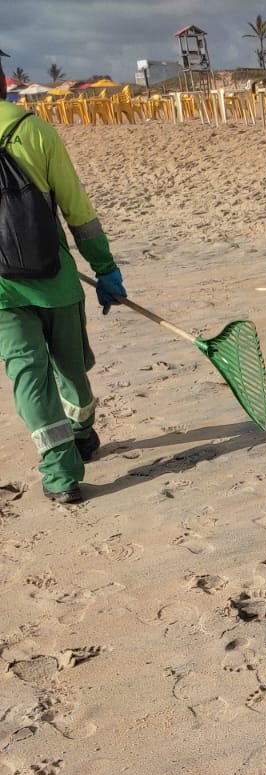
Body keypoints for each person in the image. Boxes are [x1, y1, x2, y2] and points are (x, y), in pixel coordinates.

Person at [0, 86, 125, 503]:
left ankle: (60, 474)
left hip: (2, 296)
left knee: (28, 378)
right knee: (71, 367)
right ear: (4, 86)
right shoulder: (33, 129)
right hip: (55, 281)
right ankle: (82, 434)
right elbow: (77, 208)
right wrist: (104, 268)